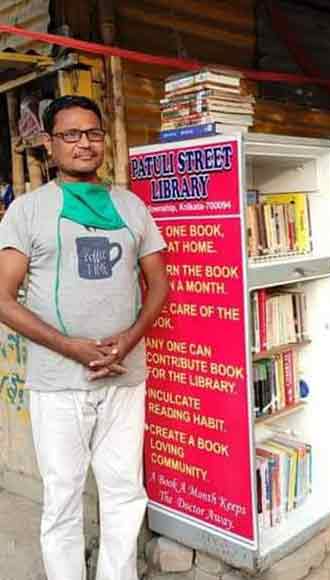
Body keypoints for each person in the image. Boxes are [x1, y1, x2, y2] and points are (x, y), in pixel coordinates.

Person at [0, 95, 169, 580]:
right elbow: (5, 298)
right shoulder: (28, 212)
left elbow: (159, 284)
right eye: (70, 135)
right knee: (63, 498)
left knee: (123, 491)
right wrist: (71, 347)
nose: (85, 143)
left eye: (93, 133)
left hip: (125, 376)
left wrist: (131, 339)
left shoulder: (131, 206)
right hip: (58, 381)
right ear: (50, 145)